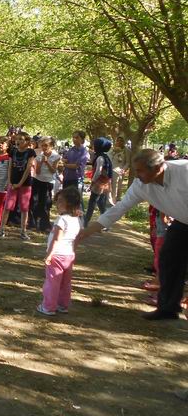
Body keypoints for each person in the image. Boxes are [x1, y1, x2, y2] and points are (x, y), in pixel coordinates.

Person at [78, 149, 188, 320]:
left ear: (158, 168)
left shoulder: (184, 172)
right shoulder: (140, 185)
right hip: (183, 221)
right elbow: (119, 209)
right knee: (168, 258)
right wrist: (85, 232)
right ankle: (168, 309)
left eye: (140, 171)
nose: (136, 175)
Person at [36, 187, 83, 316]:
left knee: (52, 282)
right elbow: (78, 237)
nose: (57, 203)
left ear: (69, 203)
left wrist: (49, 255)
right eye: (57, 200)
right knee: (65, 283)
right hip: (69, 256)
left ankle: (48, 307)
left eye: (60, 201)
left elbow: (56, 239)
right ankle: (62, 305)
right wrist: (73, 251)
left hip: (56, 255)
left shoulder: (62, 220)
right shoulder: (77, 220)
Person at [0, 131, 36, 240]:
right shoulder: (12, 151)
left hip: (25, 184)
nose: (18, 141)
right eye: (17, 139)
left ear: (27, 141)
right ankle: (1, 230)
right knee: (7, 206)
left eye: (21, 139)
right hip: (12, 183)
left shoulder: (30, 152)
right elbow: (9, 167)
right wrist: (9, 181)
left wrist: (20, 183)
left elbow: (28, 168)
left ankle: (23, 231)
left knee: (24, 208)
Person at [32, 137, 61, 232]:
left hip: (48, 182)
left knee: (45, 203)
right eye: (42, 145)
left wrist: (47, 162)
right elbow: (37, 171)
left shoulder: (56, 156)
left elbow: (53, 171)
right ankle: (33, 223)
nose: (44, 148)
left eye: (46, 145)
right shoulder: (39, 155)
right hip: (38, 180)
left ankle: (45, 225)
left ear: (51, 146)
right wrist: (41, 162)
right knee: (35, 202)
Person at [84, 137, 113, 227]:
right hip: (105, 182)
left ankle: (85, 222)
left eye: (94, 145)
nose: (93, 146)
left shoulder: (100, 157)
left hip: (99, 183)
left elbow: (98, 172)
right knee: (101, 203)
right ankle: (106, 223)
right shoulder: (106, 156)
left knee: (92, 202)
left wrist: (92, 182)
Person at [111, 136, 131, 203]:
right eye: (118, 140)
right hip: (111, 169)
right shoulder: (112, 149)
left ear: (124, 142)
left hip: (120, 170)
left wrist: (123, 170)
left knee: (118, 186)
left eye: (121, 141)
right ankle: (111, 200)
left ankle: (116, 200)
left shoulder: (127, 151)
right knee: (111, 186)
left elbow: (128, 162)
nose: (119, 142)